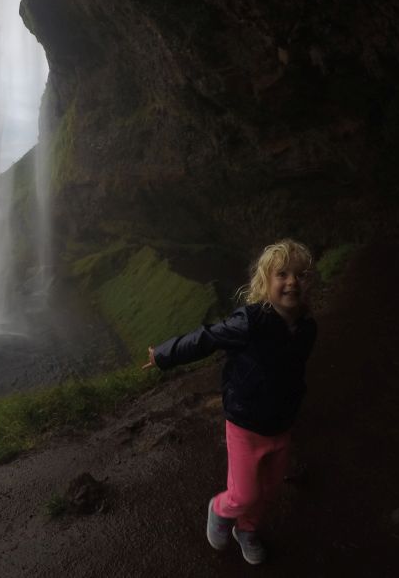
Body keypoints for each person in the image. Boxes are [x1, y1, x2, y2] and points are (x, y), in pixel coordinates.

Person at [142, 238, 317, 565]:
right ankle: (220, 510)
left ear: (309, 283)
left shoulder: (307, 328)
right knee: (244, 493)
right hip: (245, 422)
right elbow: (207, 337)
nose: (292, 281)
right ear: (265, 282)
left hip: (281, 424)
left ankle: (246, 530)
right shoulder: (250, 322)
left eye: (301, 275)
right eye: (282, 274)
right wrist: (164, 354)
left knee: (269, 489)